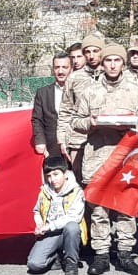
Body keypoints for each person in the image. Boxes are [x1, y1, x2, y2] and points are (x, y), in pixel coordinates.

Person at [67, 43, 138, 275]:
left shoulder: (137, 91)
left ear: (123, 63)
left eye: (116, 60)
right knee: (98, 211)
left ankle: (125, 254)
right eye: (108, 61)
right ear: (102, 64)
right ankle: (101, 255)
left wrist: (132, 125)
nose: (112, 65)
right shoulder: (91, 91)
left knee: (126, 208)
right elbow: (75, 120)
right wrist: (91, 122)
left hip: (127, 159)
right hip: (97, 158)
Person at [23, 155, 87, 275]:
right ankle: (55, 257)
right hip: (51, 233)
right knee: (34, 264)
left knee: (72, 227)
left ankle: (71, 262)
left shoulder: (76, 191)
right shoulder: (45, 191)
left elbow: (74, 217)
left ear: (65, 173)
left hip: (69, 232)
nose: (52, 179)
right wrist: (40, 224)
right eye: (49, 176)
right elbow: (36, 211)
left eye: (56, 174)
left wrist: (49, 226)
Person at [58, 33, 106, 176]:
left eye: (95, 51)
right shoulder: (74, 78)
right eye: (87, 52)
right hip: (79, 141)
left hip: (106, 140)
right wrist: (62, 140)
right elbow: (65, 111)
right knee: (81, 183)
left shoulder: (110, 75)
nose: (91, 56)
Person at [32, 52, 71, 157]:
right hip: (52, 148)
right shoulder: (42, 93)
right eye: (57, 67)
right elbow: (37, 120)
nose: (61, 71)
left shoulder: (80, 91)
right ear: (53, 69)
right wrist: (40, 141)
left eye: (65, 67)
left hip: (76, 145)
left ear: (71, 69)